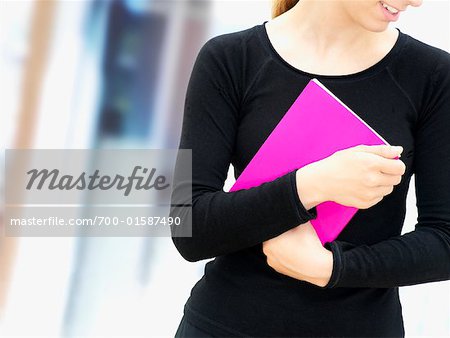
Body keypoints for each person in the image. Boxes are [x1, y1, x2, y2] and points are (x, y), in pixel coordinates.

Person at [170, 0, 450, 336]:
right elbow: (190, 228)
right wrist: (313, 184)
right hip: (224, 325)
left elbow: (444, 240)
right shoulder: (230, 58)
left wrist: (332, 268)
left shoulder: (431, 74)